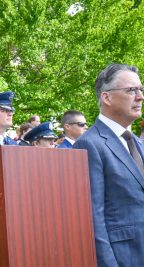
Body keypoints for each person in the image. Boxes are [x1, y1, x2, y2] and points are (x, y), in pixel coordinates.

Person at [74, 63, 144, 267]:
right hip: (124, 258)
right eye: (131, 90)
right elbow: (93, 221)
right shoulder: (89, 144)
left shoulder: (138, 143)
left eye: (141, 89)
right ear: (107, 97)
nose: (140, 96)